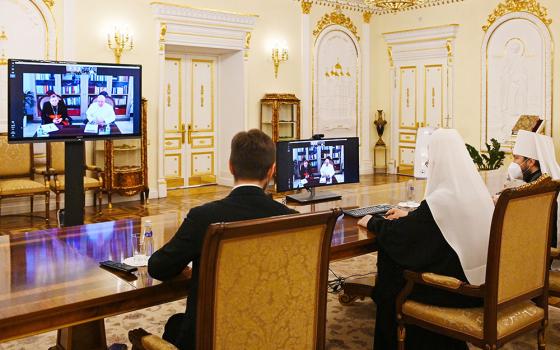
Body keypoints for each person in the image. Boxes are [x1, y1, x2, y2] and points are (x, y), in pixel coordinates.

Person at [144, 129, 297, 349]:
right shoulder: (291, 219)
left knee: (175, 325)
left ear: (231, 167)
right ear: (272, 170)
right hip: (273, 331)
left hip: (212, 337)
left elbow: (158, 267)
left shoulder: (204, 217)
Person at [358, 129, 493, 350]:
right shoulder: (476, 193)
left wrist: (373, 222)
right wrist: (411, 216)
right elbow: (436, 223)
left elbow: (404, 237)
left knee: (393, 270)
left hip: (457, 291)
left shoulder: (442, 199)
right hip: (483, 285)